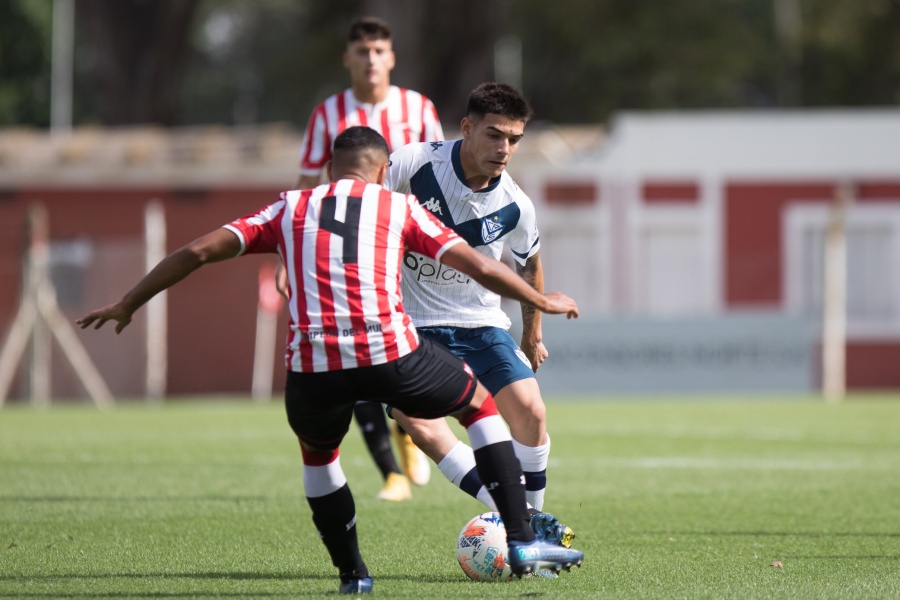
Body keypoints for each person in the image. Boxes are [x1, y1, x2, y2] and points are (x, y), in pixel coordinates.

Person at [76, 126, 584, 595]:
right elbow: (477, 264)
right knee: (477, 404)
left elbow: (197, 251)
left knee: (319, 457)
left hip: (312, 367)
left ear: (329, 170)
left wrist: (128, 303)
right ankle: (520, 536)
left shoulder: (287, 208)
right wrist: (541, 302)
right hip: (389, 354)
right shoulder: (396, 207)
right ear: (385, 171)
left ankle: (353, 576)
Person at [384, 82, 572, 541]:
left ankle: (530, 522)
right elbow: (366, 208)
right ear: (466, 128)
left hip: (481, 325)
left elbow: (530, 266)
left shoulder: (515, 205)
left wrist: (533, 335)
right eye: (494, 135)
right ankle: (519, 521)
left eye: (513, 139)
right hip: (412, 326)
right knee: (419, 425)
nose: (504, 149)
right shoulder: (412, 164)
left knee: (531, 412)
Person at [290, 16, 443, 500]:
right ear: (348, 58)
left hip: (404, 243)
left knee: (408, 341)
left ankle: (408, 427)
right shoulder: (327, 114)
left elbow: (438, 173)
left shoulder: (418, 108)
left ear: (391, 57)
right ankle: (391, 474)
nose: (371, 59)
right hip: (348, 248)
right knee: (352, 343)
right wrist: (283, 258)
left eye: (379, 50)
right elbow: (306, 183)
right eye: (362, 51)